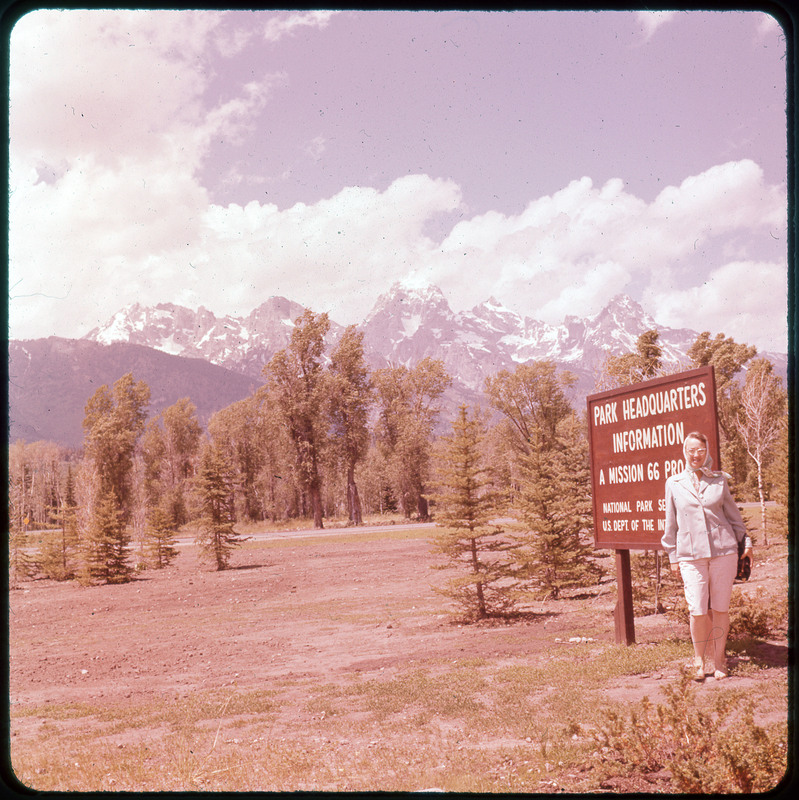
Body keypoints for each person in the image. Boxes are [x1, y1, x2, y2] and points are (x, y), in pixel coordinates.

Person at [661, 431, 753, 681]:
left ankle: (720, 658)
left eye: (700, 450)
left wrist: (747, 542)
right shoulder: (674, 483)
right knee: (698, 610)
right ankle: (699, 660)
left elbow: (734, 518)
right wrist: (672, 555)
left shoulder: (719, 481)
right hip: (691, 556)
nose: (696, 455)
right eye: (691, 450)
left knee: (721, 608)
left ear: (707, 451)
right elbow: (671, 524)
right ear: (684, 451)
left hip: (723, 552)